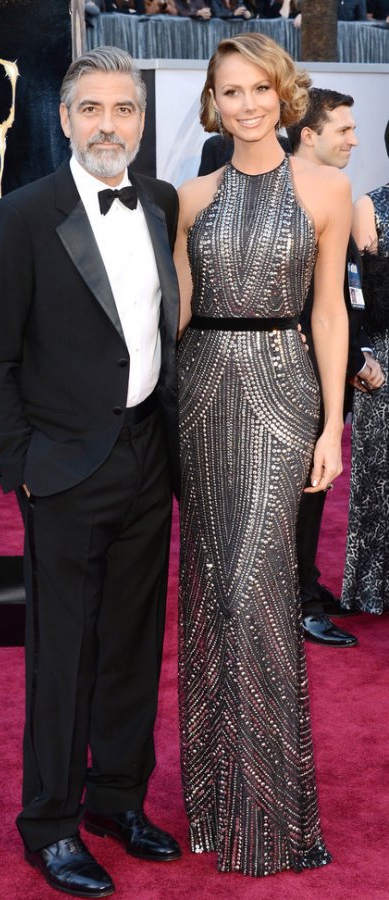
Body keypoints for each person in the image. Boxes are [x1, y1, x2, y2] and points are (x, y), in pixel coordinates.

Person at [0, 46, 181, 899]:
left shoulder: (160, 201)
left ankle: (115, 800)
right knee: (62, 653)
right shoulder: (21, 215)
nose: (106, 124)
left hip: (146, 455)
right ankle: (51, 825)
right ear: (63, 119)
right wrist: (22, 464)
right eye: (90, 108)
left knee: (132, 642)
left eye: (122, 109)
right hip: (61, 469)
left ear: (141, 120)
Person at [174, 33, 350, 875]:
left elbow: (328, 313)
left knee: (257, 588)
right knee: (213, 591)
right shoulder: (188, 197)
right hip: (201, 395)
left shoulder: (326, 188)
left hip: (283, 394)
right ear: (213, 102)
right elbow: (175, 314)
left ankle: (271, 814)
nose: (245, 104)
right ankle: (216, 802)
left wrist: (331, 426)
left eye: (257, 89)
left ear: (282, 94)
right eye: (229, 91)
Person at [287, 89, 385, 646]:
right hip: (293, 375)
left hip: (331, 370)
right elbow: (307, 303)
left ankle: (305, 584)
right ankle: (298, 602)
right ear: (308, 135)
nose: (354, 140)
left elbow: (348, 292)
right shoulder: (290, 196)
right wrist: (350, 358)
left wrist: (359, 352)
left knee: (315, 485)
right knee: (300, 489)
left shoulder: (331, 190)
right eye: (343, 130)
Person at [342, 123, 389, 614]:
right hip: (384, 357)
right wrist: (363, 354)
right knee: (379, 474)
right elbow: (363, 296)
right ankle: (375, 586)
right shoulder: (369, 206)